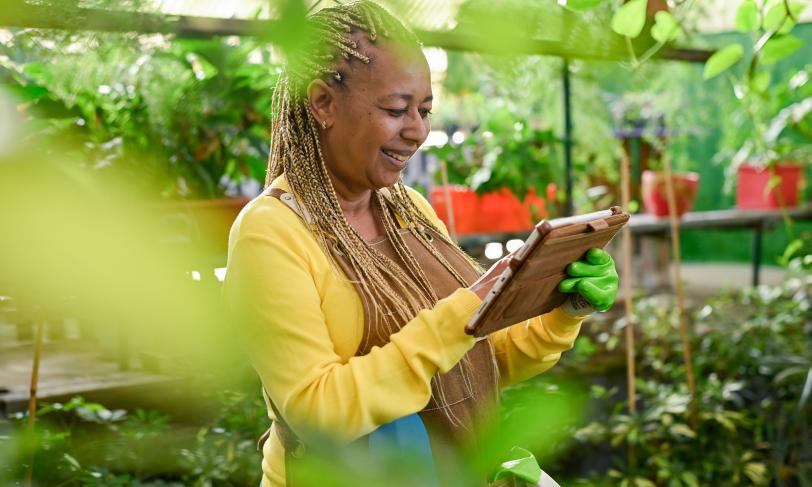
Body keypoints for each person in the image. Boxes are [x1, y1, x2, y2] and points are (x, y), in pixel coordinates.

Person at [222, 2, 619, 486]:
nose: (417, 131)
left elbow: (478, 361)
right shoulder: (271, 231)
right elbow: (317, 412)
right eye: (395, 110)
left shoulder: (408, 211)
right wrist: (457, 315)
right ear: (323, 102)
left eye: (425, 110)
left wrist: (562, 311)